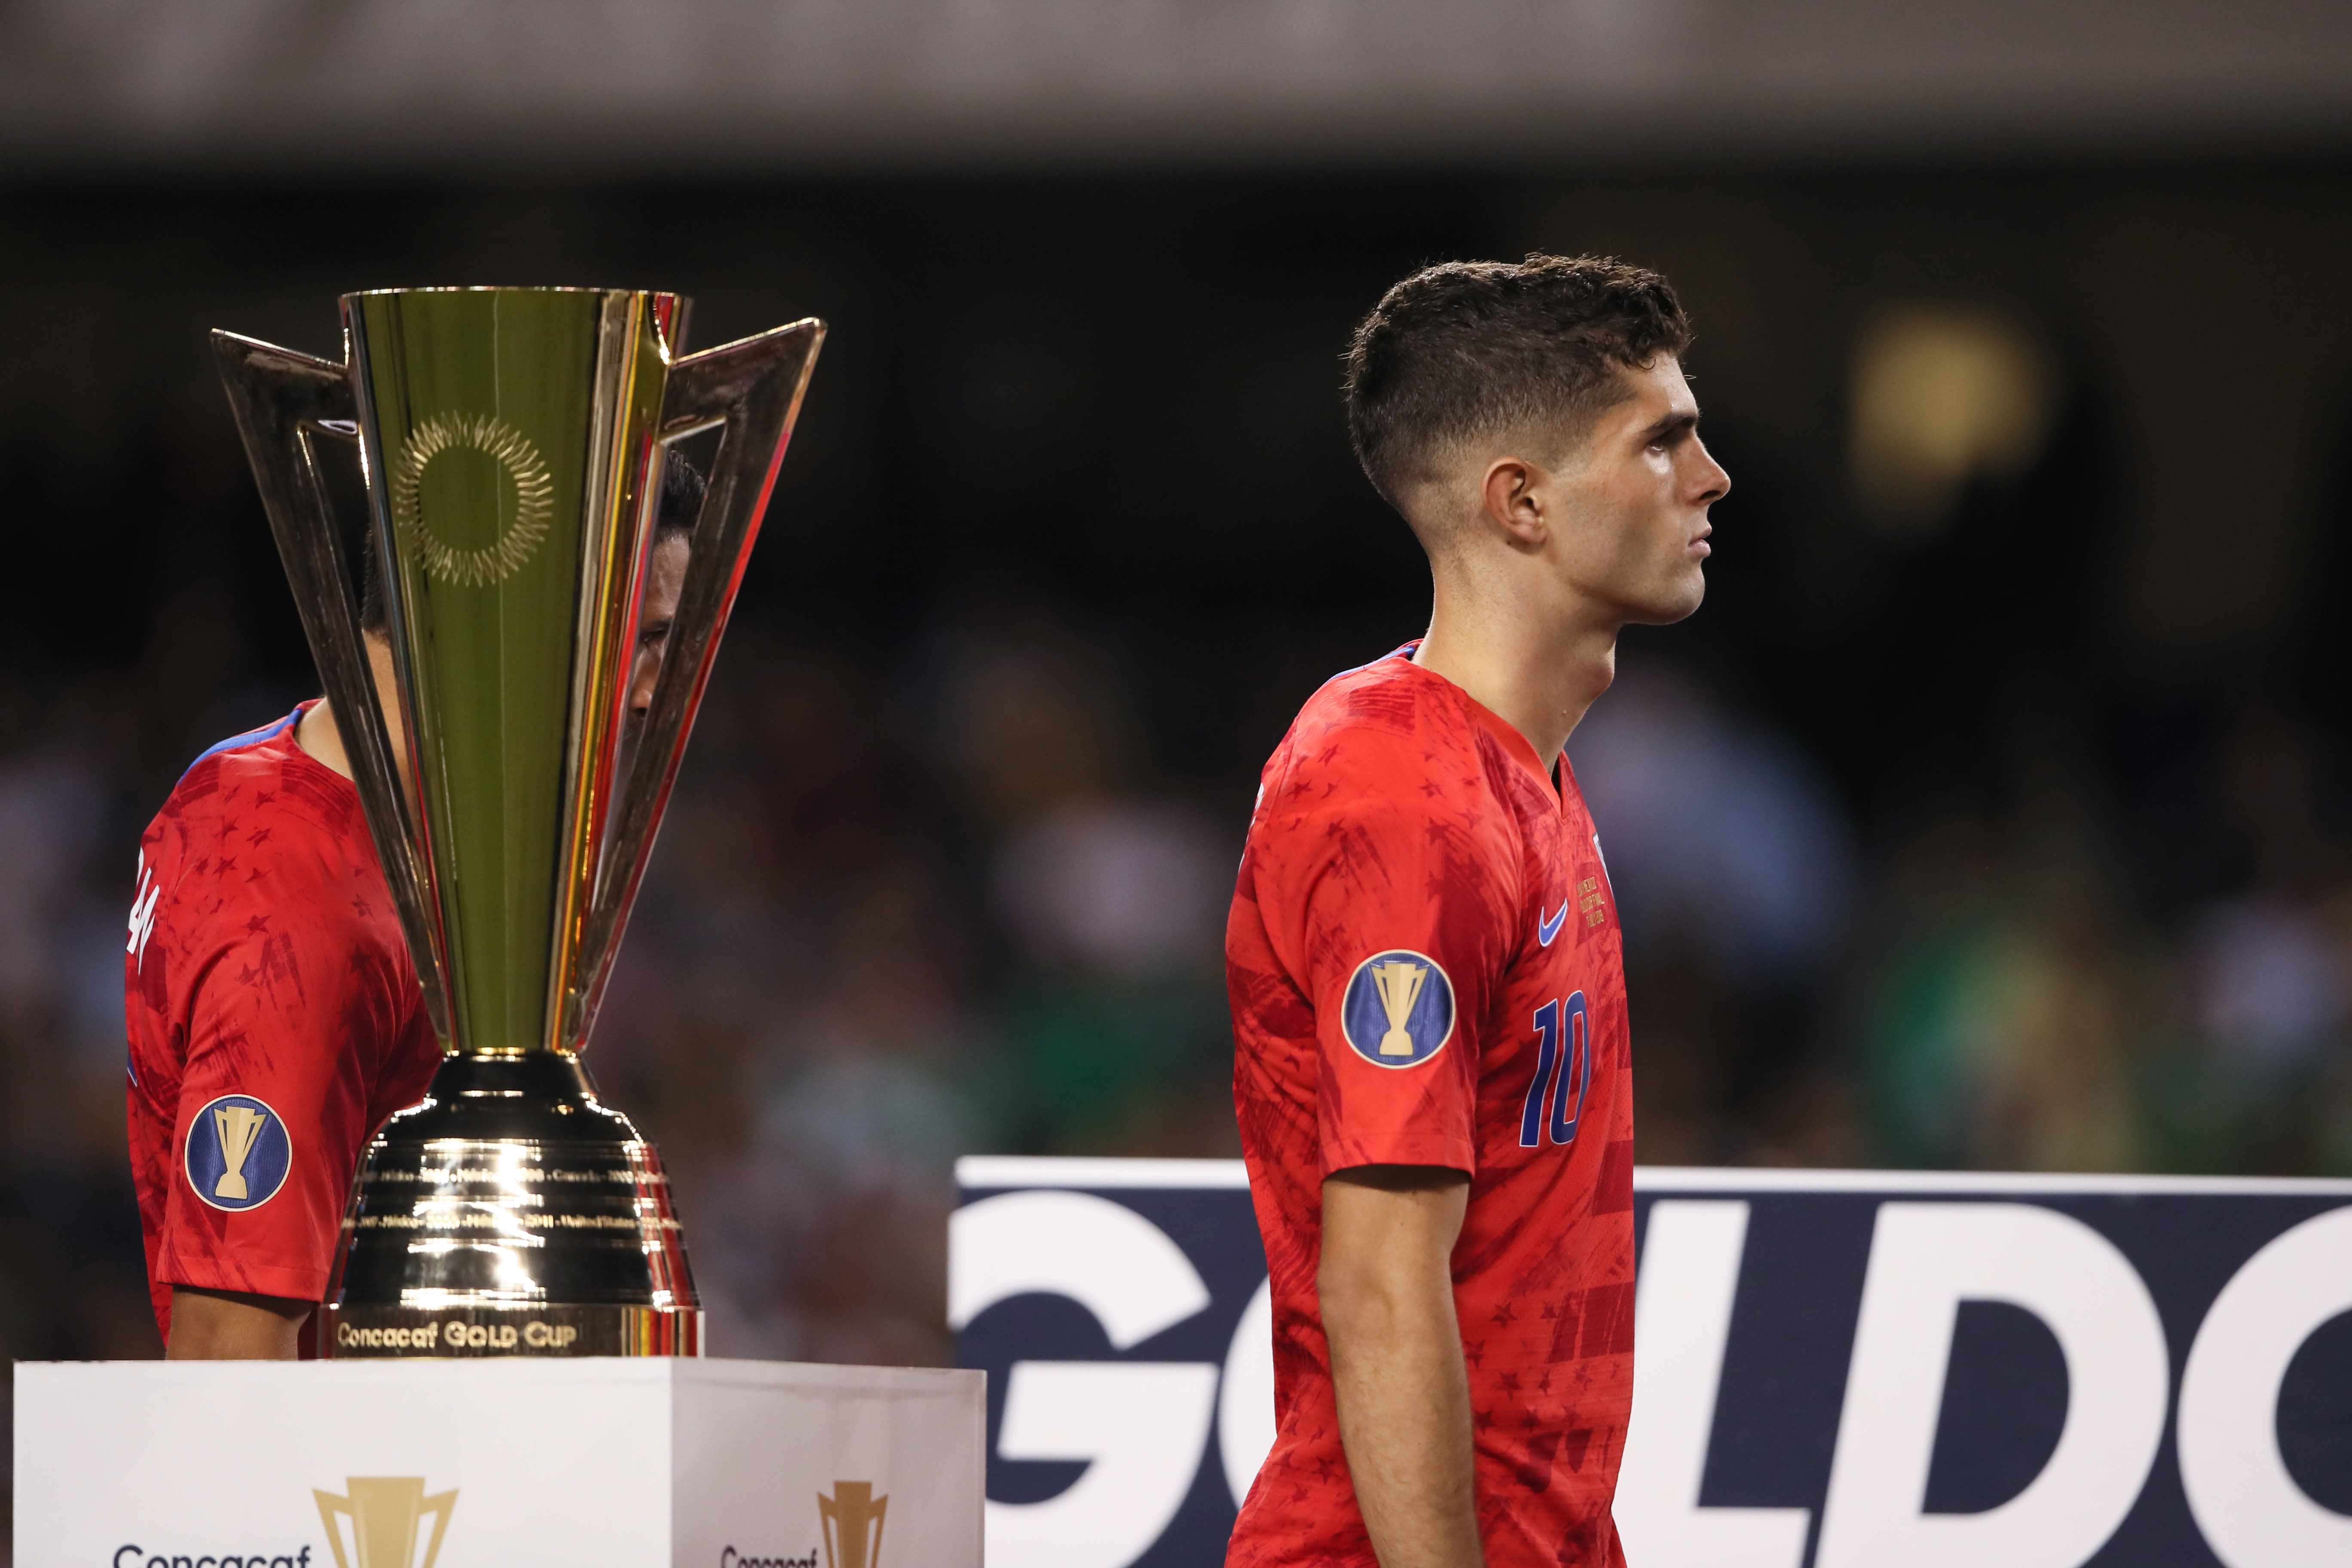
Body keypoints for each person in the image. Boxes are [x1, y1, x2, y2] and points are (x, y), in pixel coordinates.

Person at [1225, 255, 1728, 1567]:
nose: (1711, 476)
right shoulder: (1402, 798)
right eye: (1664, 442)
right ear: (1523, 504)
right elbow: (1383, 1284)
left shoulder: (1519, 772)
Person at [125, 456, 701, 1358]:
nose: (651, 692)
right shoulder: (299, 904)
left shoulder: (273, 778)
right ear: (507, 613)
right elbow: (224, 1349)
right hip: (360, 1490)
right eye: (644, 638)